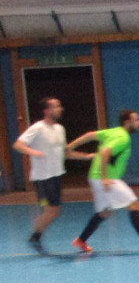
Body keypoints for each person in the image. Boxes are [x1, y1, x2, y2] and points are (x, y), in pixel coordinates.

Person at [65, 109, 139, 254]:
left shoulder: (114, 132)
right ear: (127, 122)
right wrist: (105, 177)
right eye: (136, 120)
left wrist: (70, 147)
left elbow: (89, 136)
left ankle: (81, 240)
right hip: (106, 178)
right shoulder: (123, 137)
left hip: (94, 176)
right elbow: (106, 152)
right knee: (134, 204)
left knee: (104, 212)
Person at [14, 97, 90, 252]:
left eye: (59, 106)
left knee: (54, 211)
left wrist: (88, 156)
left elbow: (65, 153)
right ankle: (35, 237)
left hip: (56, 176)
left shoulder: (60, 129)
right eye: (56, 106)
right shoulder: (37, 128)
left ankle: (35, 236)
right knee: (51, 211)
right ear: (47, 111)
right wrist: (33, 152)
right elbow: (18, 145)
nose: (60, 109)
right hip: (42, 178)